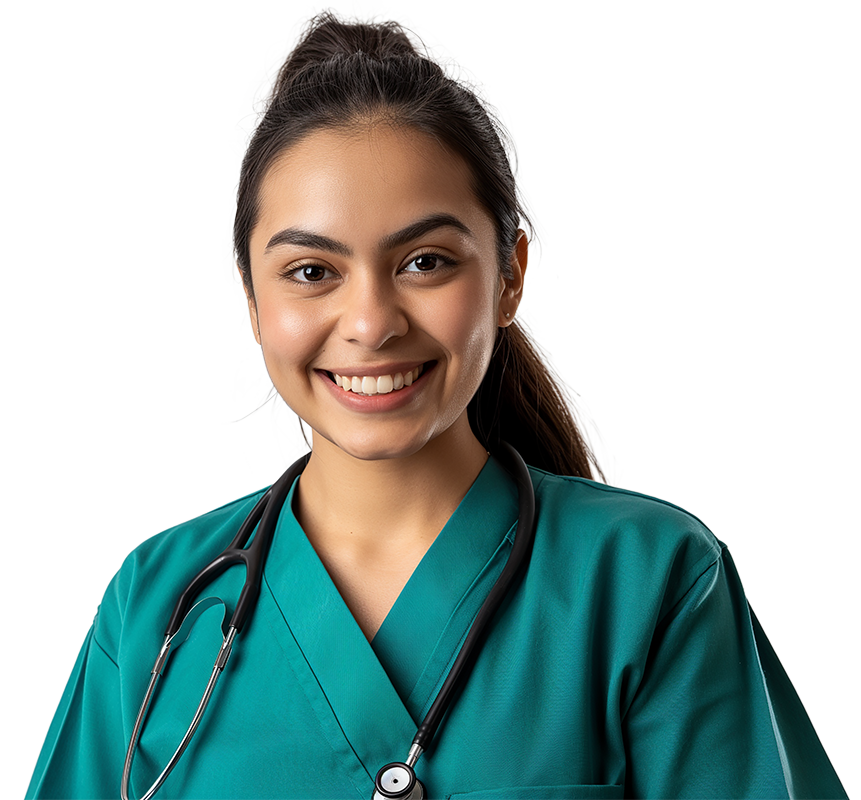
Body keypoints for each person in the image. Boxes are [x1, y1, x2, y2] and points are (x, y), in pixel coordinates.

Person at [25, 10, 848, 800]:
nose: (372, 323)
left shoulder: (648, 580)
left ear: (509, 275)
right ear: (250, 292)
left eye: (424, 262)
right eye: (311, 271)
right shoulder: (157, 600)